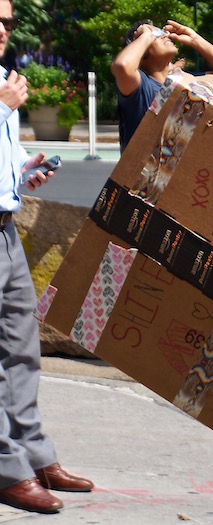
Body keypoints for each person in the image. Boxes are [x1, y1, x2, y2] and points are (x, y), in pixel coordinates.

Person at [0, 0, 94, 514]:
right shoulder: (4, 93)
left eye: (8, 21)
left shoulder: (4, 81)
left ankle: (34, 454)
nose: (2, 29)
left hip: (6, 229)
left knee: (22, 348)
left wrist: (23, 172)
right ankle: (5, 466)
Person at [111, 19, 213, 152]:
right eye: (156, 33)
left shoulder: (186, 82)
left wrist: (195, 39)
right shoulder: (143, 88)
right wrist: (145, 35)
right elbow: (123, 66)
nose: (165, 34)